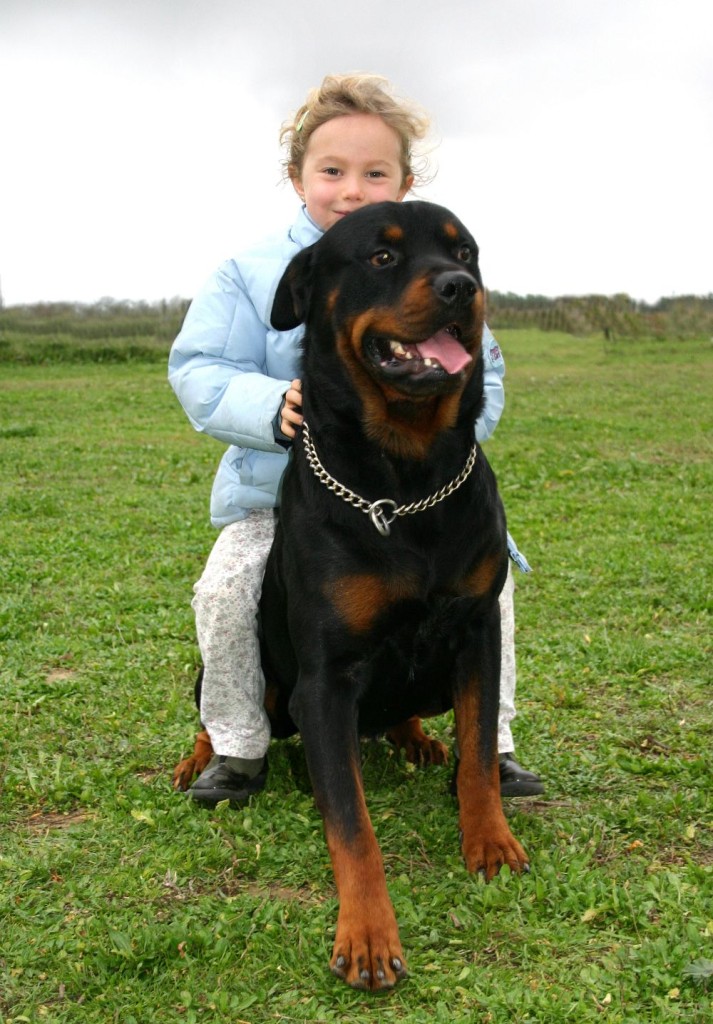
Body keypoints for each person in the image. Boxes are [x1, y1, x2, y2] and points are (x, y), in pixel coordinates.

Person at [168, 73, 543, 807]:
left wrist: (441, 419)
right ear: (296, 176)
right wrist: (271, 404)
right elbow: (199, 367)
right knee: (229, 588)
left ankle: (490, 749)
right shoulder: (248, 272)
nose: (351, 188)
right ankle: (238, 744)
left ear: (406, 179)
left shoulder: (438, 272)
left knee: (487, 598)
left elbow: (479, 376)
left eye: (375, 173)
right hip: (279, 496)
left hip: (423, 497)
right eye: (331, 171)